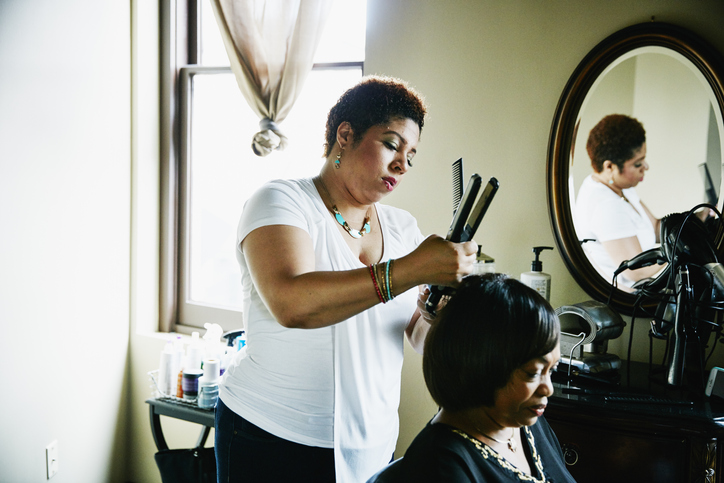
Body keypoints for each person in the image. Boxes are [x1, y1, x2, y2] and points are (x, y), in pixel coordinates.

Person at [215, 75, 478, 483]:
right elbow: (293, 304)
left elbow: (418, 336)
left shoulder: (402, 228)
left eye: (411, 155)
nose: (402, 164)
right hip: (271, 437)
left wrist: (437, 308)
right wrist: (412, 269)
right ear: (346, 134)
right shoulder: (281, 201)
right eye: (392, 144)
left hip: (371, 444)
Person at [369, 273, 574, 483]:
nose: (548, 388)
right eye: (532, 373)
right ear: (482, 365)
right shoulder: (440, 468)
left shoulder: (523, 420)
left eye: (552, 369)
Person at [574, 114, 662, 288]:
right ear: (609, 167)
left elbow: (656, 228)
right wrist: (683, 252)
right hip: (628, 305)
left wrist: (697, 219)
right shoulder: (605, 205)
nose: (646, 167)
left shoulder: (620, 188)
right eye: (638, 164)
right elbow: (637, 271)